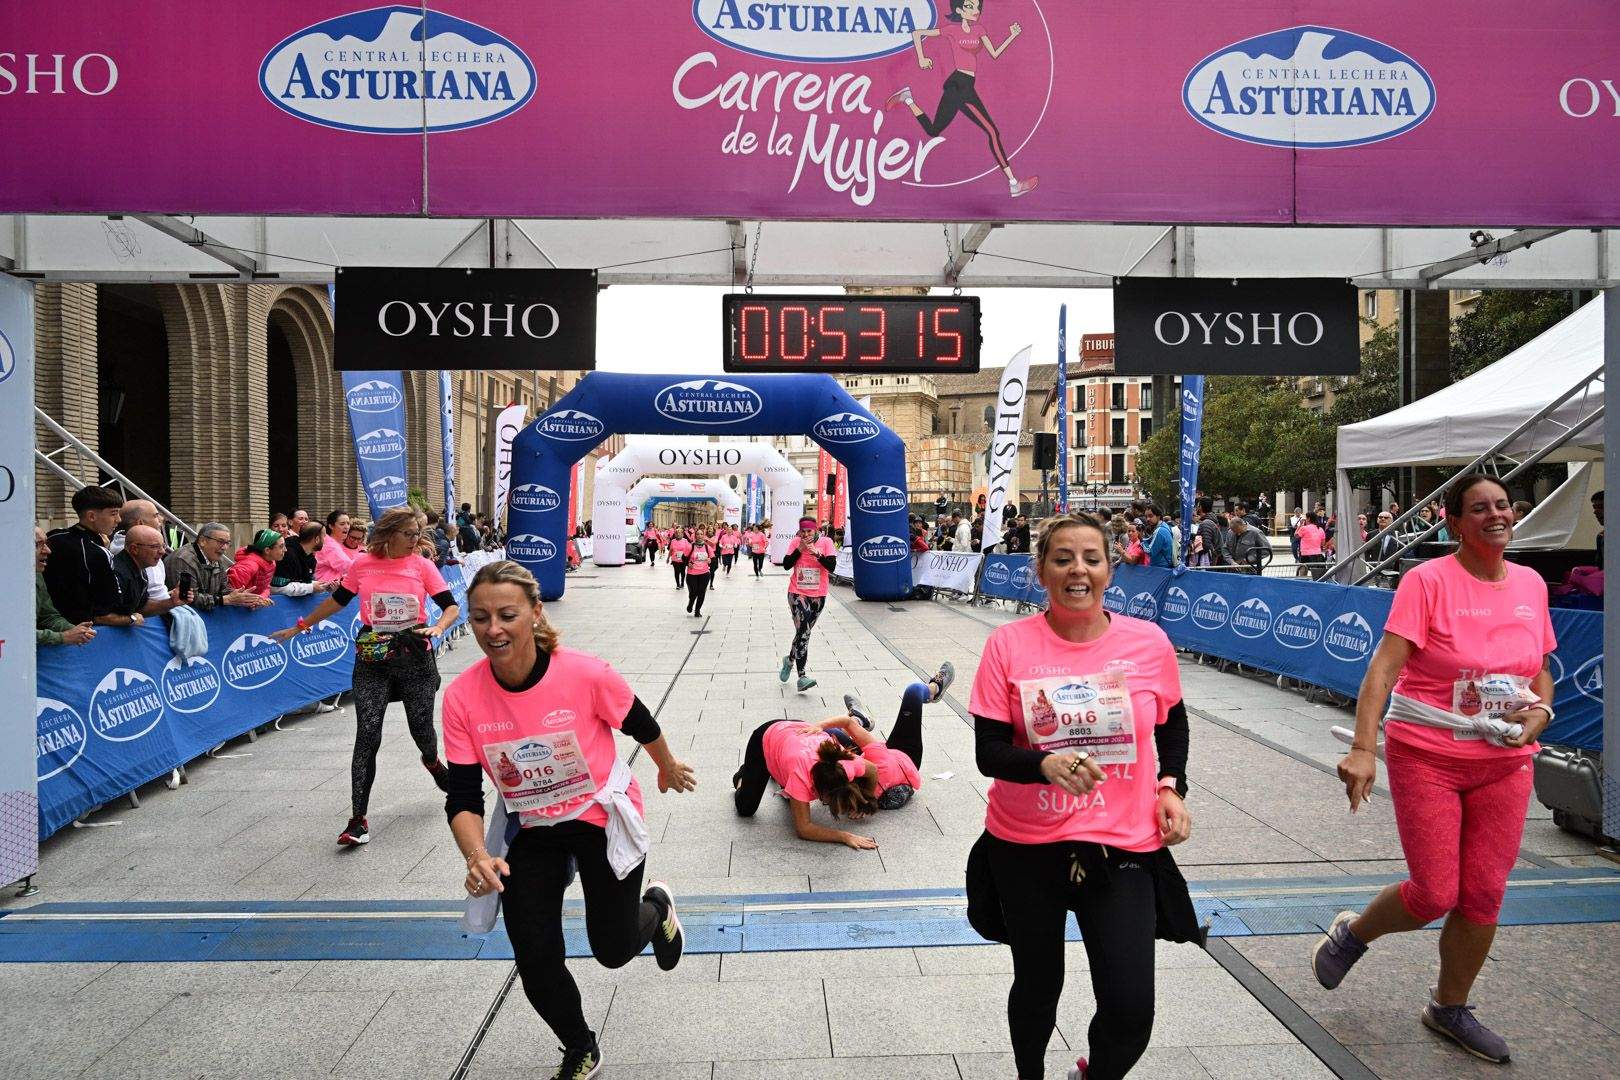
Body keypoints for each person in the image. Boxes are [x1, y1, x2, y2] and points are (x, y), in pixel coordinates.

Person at [1316, 474, 1554, 1066]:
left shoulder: (1530, 583)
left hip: (1504, 762)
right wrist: (1363, 748)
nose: (1496, 515)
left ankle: (1450, 1007)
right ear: (1453, 522)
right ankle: (1354, 933)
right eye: (1480, 508)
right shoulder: (1427, 581)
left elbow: (1539, 670)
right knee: (1434, 892)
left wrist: (1541, 711)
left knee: (1484, 893)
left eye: (1503, 505)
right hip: (1429, 755)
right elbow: (1383, 668)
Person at [441, 561, 695, 1080]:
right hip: (532, 825)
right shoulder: (462, 698)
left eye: (507, 615)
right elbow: (462, 795)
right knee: (534, 955)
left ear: (535, 612)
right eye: (480, 617)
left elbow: (640, 722)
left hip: (598, 813)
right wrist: (477, 855)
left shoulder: (585, 673)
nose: (493, 629)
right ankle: (580, 1046)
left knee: (613, 949)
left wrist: (666, 766)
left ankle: (656, 909)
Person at [967, 514, 1198, 1080]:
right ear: (1041, 570)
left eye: (1092, 559)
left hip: (1122, 842)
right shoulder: (1008, 644)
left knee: (1130, 1006)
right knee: (1038, 985)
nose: (1078, 570)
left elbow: (1171, 722)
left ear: (1109, 570)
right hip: (1027, 843)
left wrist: (1171, 785)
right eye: (1063, 558)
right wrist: (1043, 764)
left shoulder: (1148, 643)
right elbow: (989, 752)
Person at [270, 506, 461, 847]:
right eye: (408, 534)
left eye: (417, 534)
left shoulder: (421, 565)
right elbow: (338, 601)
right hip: (373, 654)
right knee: (368, 733)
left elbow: (451, 605)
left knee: (421, 731)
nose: (415, 540)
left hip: (414, 653)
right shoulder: (363, 564)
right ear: (388, 534)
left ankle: (433, 762)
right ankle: (357, 819)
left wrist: (439, 627)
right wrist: (300, 626)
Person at [733, 663, 955, 846]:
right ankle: (745, 774)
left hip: (801, 732)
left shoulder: (845, 763)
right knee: (746, 808)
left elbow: (871, 769)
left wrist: (867, 799)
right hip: (768, 736)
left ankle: (859, 720)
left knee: (793, 785)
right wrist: (844, 836)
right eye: (827, 802)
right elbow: (803, 828)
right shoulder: (800, 774)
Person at [888, 0, 1038, 198]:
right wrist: (921, 58)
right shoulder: (952, 30)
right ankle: (1013, 184)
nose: (975, 10)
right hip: (959, 85)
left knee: (933, 131)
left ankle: (908, 99)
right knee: (992, 132)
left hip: (965, 86)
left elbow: (994, 53)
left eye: (977, 6)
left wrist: (1012, 36)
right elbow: (917, 34)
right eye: (969, 6)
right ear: (959, 10)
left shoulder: (979, 30)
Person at [43, 485, 124, 626]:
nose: (119, 519)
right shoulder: (95, 551)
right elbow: (112, 602)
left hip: (47, 618)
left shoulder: (53, 536)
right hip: (83, 627)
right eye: (113, 513)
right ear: (91, 516)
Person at [780, 516, 837, 692]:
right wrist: (800, 549)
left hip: (818, 595)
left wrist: (817, 554)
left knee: (803, 633)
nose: (805, 535)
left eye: (809, 531)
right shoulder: (796, 542)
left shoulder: (826, 542)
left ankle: (790, 659)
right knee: (804, 632)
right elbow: (786, 565)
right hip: (797, 593)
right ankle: (802, 676)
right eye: (803, 531)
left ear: (816, 530)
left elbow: (832, 567)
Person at [112, 524, 192, 619]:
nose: (162, 552)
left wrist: (172, 602)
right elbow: (100, 616)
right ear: (134, 549)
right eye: (155, 546)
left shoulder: (140, 571)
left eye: (163, 546)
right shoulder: (115, 573)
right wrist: (131, 619)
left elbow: (142, 607)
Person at [35, 526, 95, 647]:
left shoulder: (37, 575)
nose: (48, 551)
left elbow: (48, 617)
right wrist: (62, 637)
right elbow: (13, 632)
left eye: (46, 544)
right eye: (38, 544)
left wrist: (76, 630)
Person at [227, 529, 286, 598]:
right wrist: (251, 600)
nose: (285, 550)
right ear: (267, 550)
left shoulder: (271, 562)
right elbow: (230, 594)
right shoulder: (249, 566)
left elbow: (266, 587)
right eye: (281, 546)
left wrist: (261, 598)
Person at [685, 526, 714, 617]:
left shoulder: (707, 547)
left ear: (703, 536)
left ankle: (697, 611)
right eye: (698, 534)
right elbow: (684, 558)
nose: (700, 536)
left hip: (704, 573)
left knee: (701, 592)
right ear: (695, 536)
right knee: (693, 592)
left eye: (701, 534)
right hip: (692, 573)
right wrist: (688, 563)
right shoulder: (690, 546)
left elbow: (713, 559)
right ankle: (691, 603)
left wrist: (710, 560)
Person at [1141, 503, 1175, 568]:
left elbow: (1150, 552)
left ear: (1158, 516)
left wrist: (1141, 540)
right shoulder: (1164, 525)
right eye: (1146, 516)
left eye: (1150, 516)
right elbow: (1150, 539)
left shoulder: (1160, 531)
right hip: (1163, 567)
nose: (1148, 519)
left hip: (1160, 568)